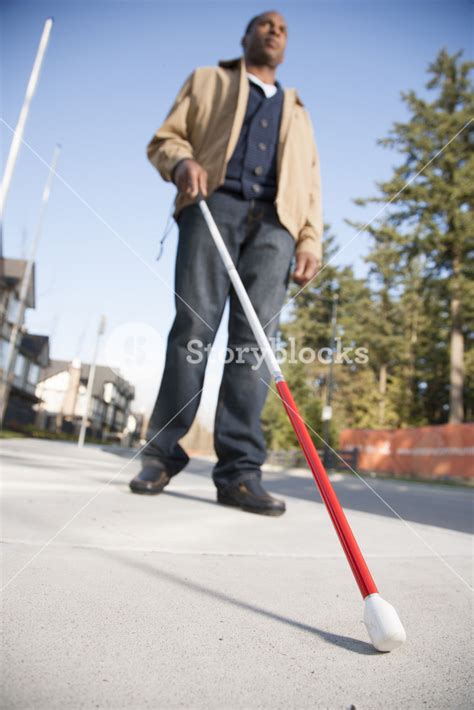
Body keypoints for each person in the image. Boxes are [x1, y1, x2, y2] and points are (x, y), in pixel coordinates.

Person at [129, 10, 323, 516]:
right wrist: (181, 162)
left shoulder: (298, 112)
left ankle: (239, 473)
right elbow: (165, 139)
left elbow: (312, 186)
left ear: (287, 44)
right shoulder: (208, 80)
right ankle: (161, 455)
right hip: (214, 208)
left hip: (277, 228)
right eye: (265, 23)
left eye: (284, 27)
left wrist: (310, 240)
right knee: (193, 329)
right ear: (246, 36)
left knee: (253, 346)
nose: (275, 30)